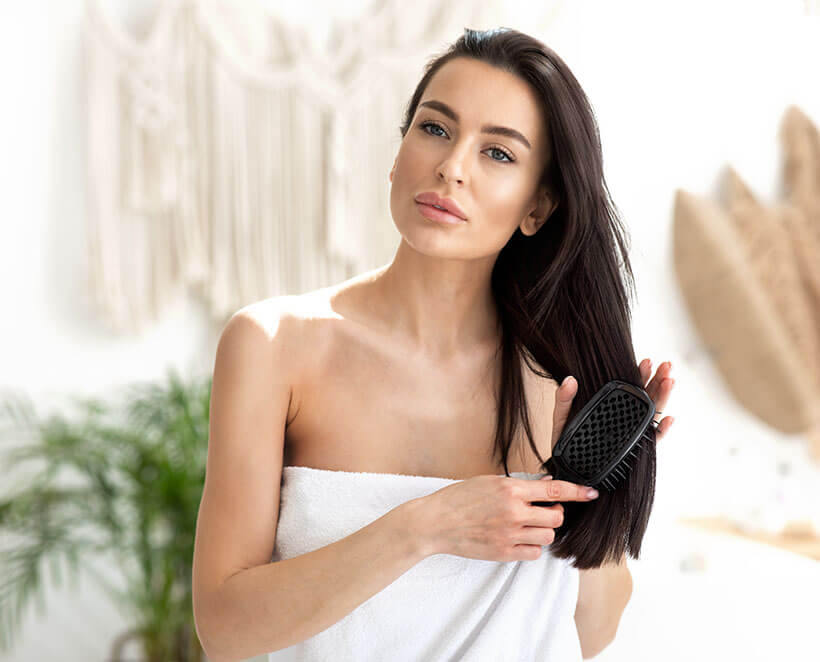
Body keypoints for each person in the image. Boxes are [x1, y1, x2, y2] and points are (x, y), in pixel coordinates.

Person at [192, 27, 676, 662]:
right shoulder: (274, 346)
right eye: (435, 129)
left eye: (498, 154)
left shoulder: (558, 383)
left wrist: (594, 495)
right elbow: (225, 629)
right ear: (398, 156)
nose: (451, 166)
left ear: (538, 206)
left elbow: (589, 632)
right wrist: (425, 527)